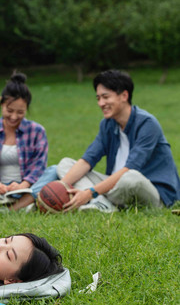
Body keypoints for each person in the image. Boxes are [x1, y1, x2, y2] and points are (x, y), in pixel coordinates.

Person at [56, 69, 180, 211]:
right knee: (66, 164)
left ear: (124, 96)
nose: (101, 103)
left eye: (105, 97)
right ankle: (102, 204)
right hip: (115, 187)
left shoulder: (147, 123)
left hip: (153, 193)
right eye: (98, 98)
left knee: (131, 178)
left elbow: (130, 168)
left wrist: (90, 192)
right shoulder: (107, 124)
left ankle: (99, 202)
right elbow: (88, 160)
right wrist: (59, 187)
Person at [0, 72, 58, 211]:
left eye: (20, 112)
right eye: (9, 110)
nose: (14, 117)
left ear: (27, 108)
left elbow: (39, 165)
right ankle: (23, 204)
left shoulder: (37, 131)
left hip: (26, 188)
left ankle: (12, 208)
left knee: (55, 171)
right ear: (1, 102)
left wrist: (23, 185)